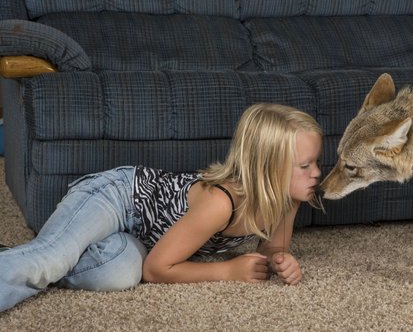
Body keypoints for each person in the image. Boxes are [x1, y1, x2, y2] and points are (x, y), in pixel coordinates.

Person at [0, 103, 323, 312]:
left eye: (316, 162)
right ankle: (41, 256)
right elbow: (158, 271)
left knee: (123, 272)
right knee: (51, 257)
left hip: (142, 242)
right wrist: (227, 270)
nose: (317, 173)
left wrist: (281, 260)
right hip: (119, 198)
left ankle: (18, 260)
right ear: (266, 167)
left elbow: (273, 248)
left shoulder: (288, 196)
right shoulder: (220, 203)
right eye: (305, 165)